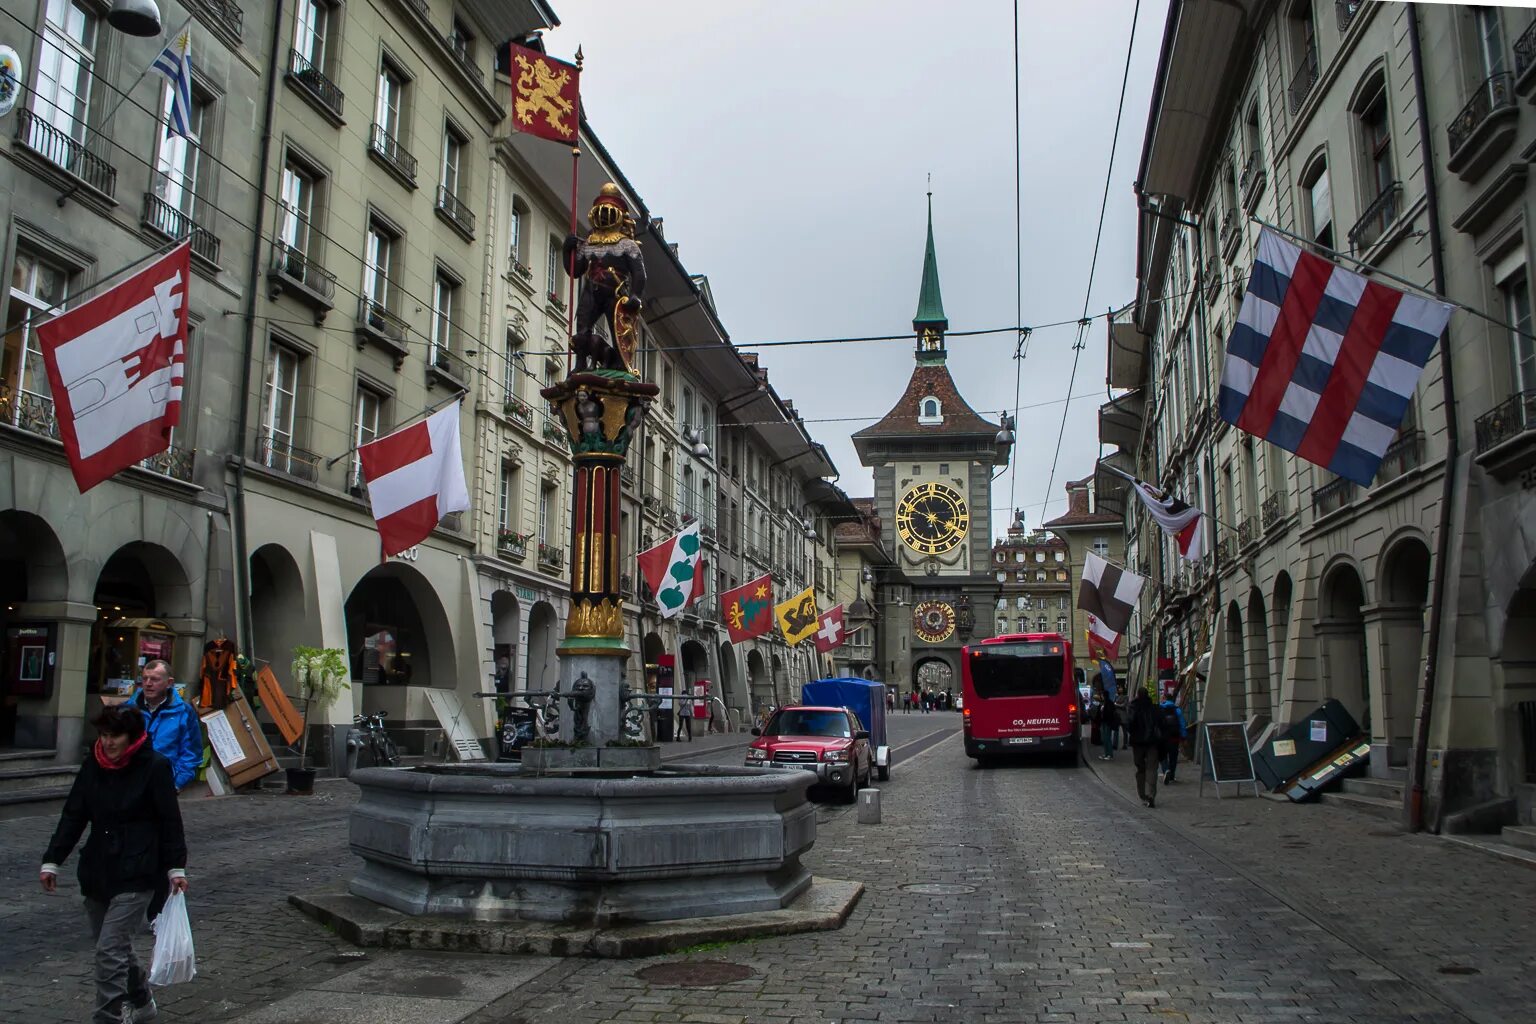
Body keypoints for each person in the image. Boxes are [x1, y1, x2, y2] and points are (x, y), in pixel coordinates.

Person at [41, 703, 189, 1024]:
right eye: (104, 735)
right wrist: (53, 859)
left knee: (109, 951)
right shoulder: (93, 764)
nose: (108, 742)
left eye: (115, 736)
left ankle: (107, 1017)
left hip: (139, 870)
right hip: (98, 868)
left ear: (131, 737)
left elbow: (170, 821)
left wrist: (175, 868)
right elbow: (74, 814)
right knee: (114, 947)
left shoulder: (154, 767)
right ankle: (142, 1000)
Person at [131, 661, 203, 793]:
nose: (148, 684)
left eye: (154, 679)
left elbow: (192, 753)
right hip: (129, 783)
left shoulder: (184, 713)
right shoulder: (127, 710)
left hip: (163, 785)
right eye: (145, 678)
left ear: (169, 683)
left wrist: (177, 783)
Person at [1126, 687, 1166, 808]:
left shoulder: (1133, 708)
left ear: (1138, 695)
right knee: (1152, 769)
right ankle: (1151, 795)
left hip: (1138, 743)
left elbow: (1129, 725)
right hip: (1152, 743)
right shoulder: (1155, 708)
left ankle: (1142, 794)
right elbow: (1162, 724)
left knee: (1140, 768)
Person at [1159, 694, 1188, 784]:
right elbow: (1182, 724)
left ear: (1164, 699)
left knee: (1163, 756)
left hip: (1163, 737)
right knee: (1173, 757)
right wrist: (1183, 737)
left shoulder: (1159, 709)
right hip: (1174, 737)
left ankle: (1166, 770)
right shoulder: (1177, 710)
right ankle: (1172, 776)